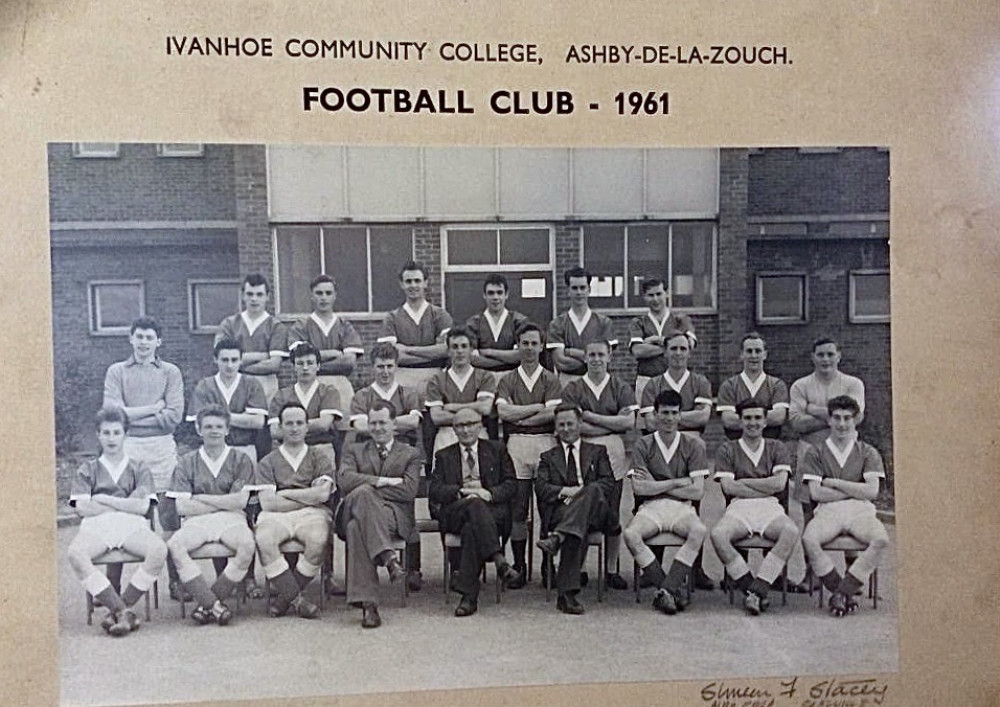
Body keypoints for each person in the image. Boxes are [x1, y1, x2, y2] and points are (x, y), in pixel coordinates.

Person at [102, 315, 185, 600]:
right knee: (124, 516)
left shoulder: (171, 372)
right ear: (131, 338)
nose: (144, 342)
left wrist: (131, 415)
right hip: (127, 449)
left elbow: (173, 418)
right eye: (139, 336)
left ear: (158, 341)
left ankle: (178, 581)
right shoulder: (116, 371)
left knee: (169, 516)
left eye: (150, 337)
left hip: (162, 448)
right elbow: (113, 416)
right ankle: (112, 587)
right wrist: (153, 408)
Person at [67, 406, 167, 637]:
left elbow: (142, 507)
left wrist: (103, 499)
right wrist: (124, 502)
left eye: (116, 432)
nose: (111, 438)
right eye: (106, 433)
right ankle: (123, 611)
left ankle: (120, 607)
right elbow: (83, 508)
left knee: (158, 549)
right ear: (98, 435)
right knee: (75, 553)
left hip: (130, 524)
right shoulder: (88, 469)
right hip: (97, 525)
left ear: (125, 434)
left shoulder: (138, 467)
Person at [335, 401, 423, 629]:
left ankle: (368, 606)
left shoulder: (410, 453)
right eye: (372, 423)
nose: (377, 428)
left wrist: (365, 485)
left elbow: (409, 490)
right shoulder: (355, 450)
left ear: (394, 424)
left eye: (383, 422)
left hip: (392, 516)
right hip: (359, 507)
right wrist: (380, 481)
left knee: (356, 527)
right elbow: (344, 481)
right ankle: (388, 558)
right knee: (363, 494)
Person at [166, 406, 256, 626]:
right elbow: (182, 507)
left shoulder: (240, 459)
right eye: (208, 427)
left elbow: (240, 501)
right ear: (199, 430)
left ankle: (207, 604)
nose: (213, 431)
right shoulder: (187, 462)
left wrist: (202, 498)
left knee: (247, 545)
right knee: (176, 545)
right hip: (197, 521)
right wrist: (223, 501)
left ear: (227, 430)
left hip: (232, 518)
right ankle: (214, 605)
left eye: (218, 426)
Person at [800, 395, 889, 617]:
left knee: (880, 539)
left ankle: (841, 593)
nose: (842, 424)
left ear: (855, 420)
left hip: (860, 510)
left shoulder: (867, 451)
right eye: (837, 418)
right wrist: (854, 488)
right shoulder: (816, 451)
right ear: (828, 420)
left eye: (847, 418)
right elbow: (816, 492)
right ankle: (841, 590)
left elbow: (871, 491)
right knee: (809, 539)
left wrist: (834, 482)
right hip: (828, 511)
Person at [623, 390, 710, 615]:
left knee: (699, 531)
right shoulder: (643, 444)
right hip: (651, 507)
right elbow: (639, 488)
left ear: (680, 416)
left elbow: (698, 491)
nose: (669, 418)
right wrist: (678, 483)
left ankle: (666, 590)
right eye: (664, 413)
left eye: (673, 413)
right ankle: (670, 588)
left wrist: (658, 483)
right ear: (655, 415)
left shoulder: (693, 445)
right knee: (631, 535)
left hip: (682, 508)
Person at [428, 409, 520, 617]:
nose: (466, 429)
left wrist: (488, 493)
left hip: (490, 510)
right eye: (460, 425)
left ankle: (468, 597)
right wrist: (460, 492)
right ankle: (499, 560)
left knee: (472, 528)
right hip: (457, 510)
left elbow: (511, 484)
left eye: (470, 424)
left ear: (480, 426)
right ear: (454, 429)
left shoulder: (497, 449)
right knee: (473, 506)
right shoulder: (444, 455)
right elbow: (434, 489)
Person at [711, 398, 799, 615]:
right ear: (740, 421)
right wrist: (763, 485)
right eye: (748, 418)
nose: (753, 423)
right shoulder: (727, 449)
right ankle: (753, 588)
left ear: (765, 421)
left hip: (770, 506)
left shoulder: (777, 447)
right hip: (739, 507)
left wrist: (744, 482)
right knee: (718, 535)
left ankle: (757, 590)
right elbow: (729, 488)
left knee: (790, 531)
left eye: (758, 417)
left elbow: (779, 485)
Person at [562, 340, 637, 590]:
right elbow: (574, 425)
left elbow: (628, 422)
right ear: (585, 357)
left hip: (613, 449)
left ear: (610, 356)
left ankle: (611, 569)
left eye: (600, 354)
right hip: (582, 448)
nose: (596, 359)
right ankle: (580, 567)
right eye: (591, 354)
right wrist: (611, 421)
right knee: (582, 503)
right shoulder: (574, 387)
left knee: (612, 508)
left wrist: (591, 416)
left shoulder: (620, 386)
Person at [495, 322, 563, 586]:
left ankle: (548, 566)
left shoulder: (551, 378)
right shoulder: (508, 379)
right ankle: (520, 565)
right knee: (518, 509)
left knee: (548, 507)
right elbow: (503, 414)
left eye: (535, 343)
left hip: (546, 443)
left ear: (542, 346)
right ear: (518, 345)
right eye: (525, 343)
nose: (530, 348)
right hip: (517, 445)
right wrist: (536, 409)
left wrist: (520, 415)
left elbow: (552, 414)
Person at [534, 404, 618, 615]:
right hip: (565, 512)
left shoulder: (598, 452)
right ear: (555, 427)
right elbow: (542, 488)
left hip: (598, 513)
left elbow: (608, 484)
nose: (566, 428)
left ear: (580, 424)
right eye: (561, 424)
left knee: (593, 490)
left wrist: (582, 494)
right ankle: (567, 595)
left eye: (570, 423)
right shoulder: (548, 457)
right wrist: (567, 491)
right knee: (574, 528)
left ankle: (557, 538)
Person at [254, 403, 335, 619]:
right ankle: (297, 600)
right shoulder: (268, 461)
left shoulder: (319, 457)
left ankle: (283, 600)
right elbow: (268, 504)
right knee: (263, 538)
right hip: (276, 516)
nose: (294, 428)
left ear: (308, 427)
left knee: (318, 539)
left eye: (300, 423)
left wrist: (285, 493)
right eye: (288, 423)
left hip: (312, 515)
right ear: (280, 428)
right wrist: (307, 496)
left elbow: (322, 495)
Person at [789, 338, 866, 508]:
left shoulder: (853, 384)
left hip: (845, 452)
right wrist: (838, 415)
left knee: (847, 502)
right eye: (820, 355)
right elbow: (797, 423)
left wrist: (812, 409)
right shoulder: (800, 386)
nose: (825, 359)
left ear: (838, 356)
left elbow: (856, 417)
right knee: (808, 506)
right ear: (813, 357)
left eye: (830, 354)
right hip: (809, 451)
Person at [289, 274, 364, 430]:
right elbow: (298, 356)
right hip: (310, 385)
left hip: (340, 383)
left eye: (328, 293)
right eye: (319, 293)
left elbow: (349, 362)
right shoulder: (301, 325)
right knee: (312, 430)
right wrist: (335, 353)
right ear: (311, 296)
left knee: (344, 434)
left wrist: (312, 362)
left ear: (335, 296)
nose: (324, 298)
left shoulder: (344, 325)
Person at [465, 274, 529, 439]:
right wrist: (506, 355)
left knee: (510, 419)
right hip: (483, 378)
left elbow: (521, 355)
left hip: (512, 377)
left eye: (499, 292)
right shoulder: (474, 322)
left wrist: (488, 352)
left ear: (506, 294)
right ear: (484, 295)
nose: (495, 297)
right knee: (488, 420)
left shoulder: (518, 320)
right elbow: (471, 358)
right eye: (491, 293)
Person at [377, 260, 452, 395]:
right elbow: (391, 356)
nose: (413, 285)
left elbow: (446, 350)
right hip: (402, 377)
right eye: (408, 281)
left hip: (434, 376)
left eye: (417, 281)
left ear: (425, 283)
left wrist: (407, 349)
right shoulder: (392, 318)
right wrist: (432, 354)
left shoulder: (439, 315)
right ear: (401, 284)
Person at [187, 338, 267, 463]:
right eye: (224, 360)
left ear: (241, 361)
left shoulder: (251, 384)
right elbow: (199, 422)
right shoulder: (205, 386)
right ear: (215, 360)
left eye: (234, 360)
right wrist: (243, 418)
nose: (229, 365)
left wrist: (217, 416)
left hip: (244, 449)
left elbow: (258, 421)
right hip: (212, 450)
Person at [214, 274, 289, 403]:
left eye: (259, 295)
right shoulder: (229, 324)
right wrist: (264, 356)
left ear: (267, 297)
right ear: (243, 296)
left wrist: (238, 365)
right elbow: (223, 359)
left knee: (265, 420)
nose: (254, 299)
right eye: (250, 294)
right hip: (235, 383)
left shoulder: (276, 326)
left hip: (266, 385)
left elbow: (274, 365)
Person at [267, 341, 342, 468]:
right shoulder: (281, 395)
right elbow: (274, 431)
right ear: (294, 367)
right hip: (289, 450)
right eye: (300, 364)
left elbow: (324, 425)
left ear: (318, 366)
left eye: (310, 363)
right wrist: (311, 426)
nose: (305, 368)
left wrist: (290, 427)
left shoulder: (328, 391)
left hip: (320, 449)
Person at [425, 326, 497, 454]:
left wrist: (451, 406)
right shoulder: (437, 380)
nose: (460, 351)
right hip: (447, 434)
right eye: (455, 347)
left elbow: (485, 408)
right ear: (448, 351)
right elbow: (437, 417)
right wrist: (473, 411)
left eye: (464, 346)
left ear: (471, 349)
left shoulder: (484, 377)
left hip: (477, 433)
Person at [627, 277, 697, 403]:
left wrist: (657, 340)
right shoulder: (638, 322)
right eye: (650, 295)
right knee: (645, 419)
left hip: (677, 379)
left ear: (667, 293)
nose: (655, 299)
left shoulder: (681, 320)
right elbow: (638, 351)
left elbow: (689, 344)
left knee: (675, 418)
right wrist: (671, 345)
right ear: (644, 297)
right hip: (647, 379)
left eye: (659, 294)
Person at [547, 266, 617, 385]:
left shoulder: (604, 323)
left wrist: (570, 352)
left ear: (589, 289)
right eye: (574, 288)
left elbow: (605, 362)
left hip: (597, 382)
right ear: (568, 290)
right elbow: (561, 362)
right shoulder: (557, 324)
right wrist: (591, 359)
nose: (579, 292)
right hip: (567, 383)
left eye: (582, 287)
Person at [716, 333, 790, 440]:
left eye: (758, 351)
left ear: (765, 354)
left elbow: (778, 417)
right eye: (749, 351)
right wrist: (763, 418)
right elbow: (728, 420)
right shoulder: (729, 386)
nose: (754, 355)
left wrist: (743, 418)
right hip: (737, 446)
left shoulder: (777, 385)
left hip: (769, 445)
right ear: (742, 354)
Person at [349, 342, 423, 448]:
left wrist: (376, 424)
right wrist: (398, 424)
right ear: (372, 367)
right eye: (380, 367)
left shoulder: (407, 393)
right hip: (370, 452)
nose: (385, 372)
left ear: (396, 366)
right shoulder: (362, 396)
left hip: (402, 450)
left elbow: (413, 421)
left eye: (389, 366)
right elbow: (360, 426)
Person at [638, 330, 712, 435]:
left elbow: (702, 418)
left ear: (689, 353)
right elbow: (650, 424)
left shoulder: (700, 382)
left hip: (691, 442)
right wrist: (688, 418)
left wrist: (664, 417)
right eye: (673, 348)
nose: (678, 353)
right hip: (661, 442)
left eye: (683, 349)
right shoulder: (652, 385)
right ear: (665, 353)